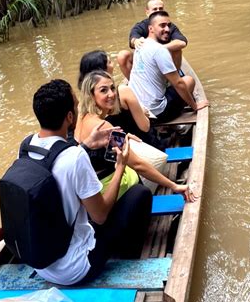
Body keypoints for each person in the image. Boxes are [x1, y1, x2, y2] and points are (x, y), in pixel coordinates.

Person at [26, 79, 152, 285]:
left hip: (40, 263)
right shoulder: (75, 157)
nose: (78, 108)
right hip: (76, 268)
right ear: (69, 116)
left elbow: (54, 169)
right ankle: (131, 256)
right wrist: (120, 167)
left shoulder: (27, 146)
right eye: (75, 105)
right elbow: (100, 216)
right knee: (140, 194)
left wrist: (85, 145)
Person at [75, 70, 196, 200]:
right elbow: (138, 164)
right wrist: (174, 186)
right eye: (103, 90)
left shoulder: (82, 115)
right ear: (91, 95)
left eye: (112, 88)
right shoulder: (104, 126)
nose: (111, 94)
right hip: (104, 190)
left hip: (90, 190)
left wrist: (125, 136)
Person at [128, 11, 209, 123]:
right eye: (162, 25)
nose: (167, 29)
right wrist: (195, 106)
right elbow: (178, 84)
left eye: (168, 26)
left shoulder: (140, 45)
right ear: (150, 29)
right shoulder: (160, 50)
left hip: (136, 109)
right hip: (157, 113)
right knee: (188, 81)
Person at [78, 49, 164, 148]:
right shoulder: (123, 92)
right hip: (135, 146)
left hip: (114, 148)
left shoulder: (83, 106)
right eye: (109, 62)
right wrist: (143, 113)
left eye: (112, 88)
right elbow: (145, 127)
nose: (113, 64)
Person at [117, 0, 187, 80]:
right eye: (154, 9)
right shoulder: (141, 26)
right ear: (147, 12)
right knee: (122, 55)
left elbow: (182, 42)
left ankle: (173, 80)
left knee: (177, 50)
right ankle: (134, 82)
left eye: (160, 9)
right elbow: (133, 40)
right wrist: (136, 41)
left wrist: (158, 49)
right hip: (146, 60)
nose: (158, 12)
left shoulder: (169, 25)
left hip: (164, 57)